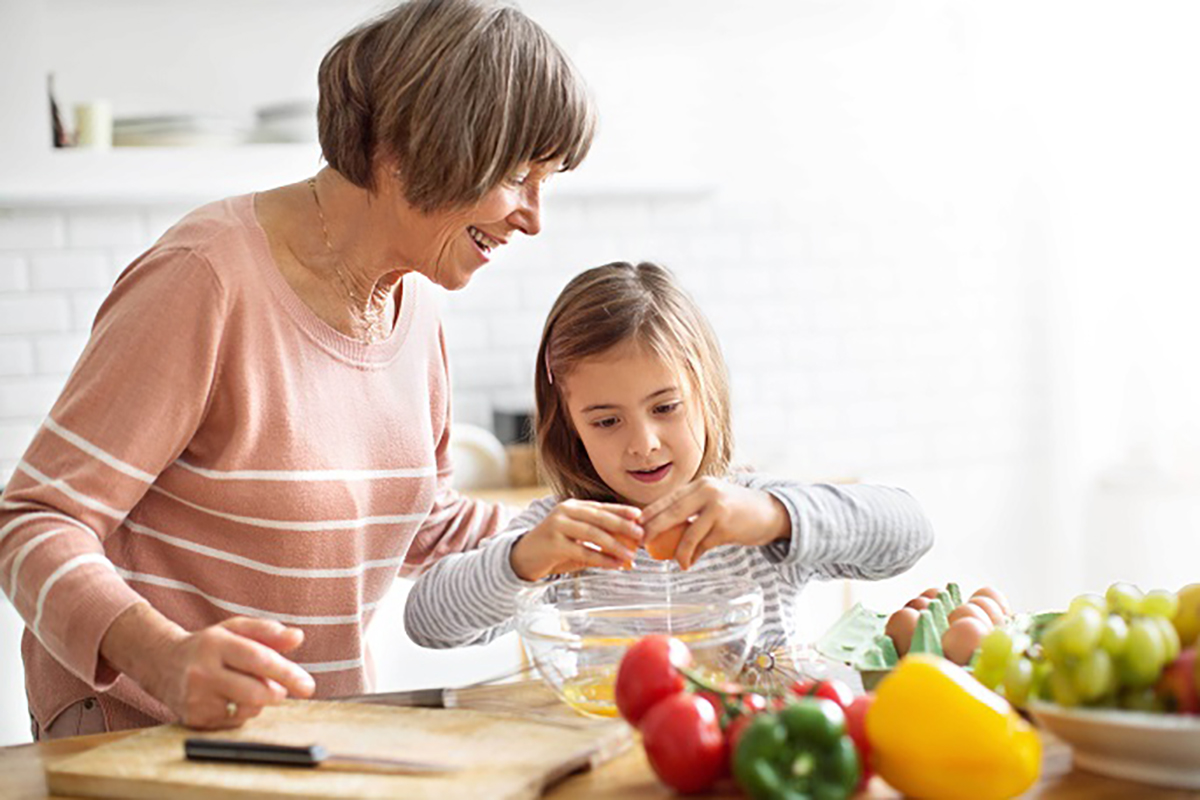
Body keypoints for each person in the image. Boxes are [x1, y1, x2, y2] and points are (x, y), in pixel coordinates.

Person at [0, 0, 595, 740]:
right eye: (517, 175)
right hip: (142, 732)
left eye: (549, 179)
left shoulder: (415, 303)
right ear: (413, 146)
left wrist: (568, 537)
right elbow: (35, 520)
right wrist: (161, 658)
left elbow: (420, 525)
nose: (535, 217)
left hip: (311, 734)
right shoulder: (207, 276)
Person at [405, 262, 935, 662]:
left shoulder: (752, 513)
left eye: (666, 408)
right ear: (570, 427)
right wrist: (522, 559)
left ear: (706, 393)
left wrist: (774, 516)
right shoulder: (566, 531)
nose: (645, 444)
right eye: (606, 421)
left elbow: (910, 531)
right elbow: (427, 622)